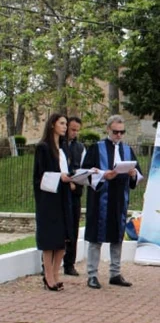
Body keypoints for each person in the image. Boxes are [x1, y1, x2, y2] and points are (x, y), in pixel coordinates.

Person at [82, 115, 143, 289]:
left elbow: (138, 174)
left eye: (122, 132)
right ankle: (92, 274)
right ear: (108, 129)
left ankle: (115, 273)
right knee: (96, 237)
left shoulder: (127, 150)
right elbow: (84, 172)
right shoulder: (96, 148)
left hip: (119, 199)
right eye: (116, 132)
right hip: (100, 198)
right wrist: (103, 174)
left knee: (117, 236)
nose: (119, 135)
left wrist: (133, 174)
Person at [33, 113, 73, 291]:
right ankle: (48, 276)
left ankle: (56, 274)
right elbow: (39, 176)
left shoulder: (64, 148)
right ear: (52, 125)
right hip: (49, 198)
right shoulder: (43, 148)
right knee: (49, 239)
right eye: (62, 123)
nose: (65, 126)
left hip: (63, 196)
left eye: (66, 124)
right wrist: (60, 177)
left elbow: (66, 170)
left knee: (63, 238)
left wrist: (73, 179)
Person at [63, 116, 86, 276]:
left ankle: (69, 263)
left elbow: (84, 168)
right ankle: (48, 264)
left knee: (73, 228)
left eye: (77, 130)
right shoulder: (58, 145)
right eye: (72, 129)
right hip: (61, 192)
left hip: (75, 193)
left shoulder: (80, 147)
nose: (74, 133)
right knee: (59, 228)